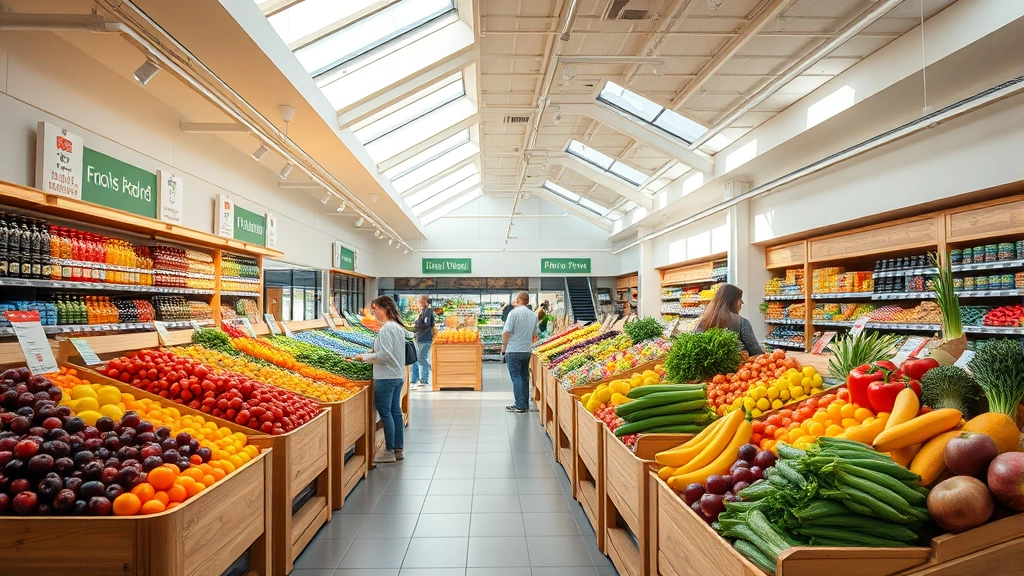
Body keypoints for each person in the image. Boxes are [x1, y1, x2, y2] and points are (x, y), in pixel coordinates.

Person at [354, 296, 407, 463]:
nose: (373, 312)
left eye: (375, 309)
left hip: (386, 376)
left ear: (384, 309)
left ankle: (389, 451)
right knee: (395, 412)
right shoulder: (398, 327)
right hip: (398, 375)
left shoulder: (386, 329)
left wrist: (365, 357)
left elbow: (384, 355)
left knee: (386, 413)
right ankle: (398, 449)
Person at [695, 283, 765, 357]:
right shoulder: (741, 322)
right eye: (740, 299)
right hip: (738, 367)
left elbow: (696, 347)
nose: (742, 302)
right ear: (733, 301)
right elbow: (755, 351)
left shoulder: (703, 321)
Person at [502, 291, 538, 413]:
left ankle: (519, 404)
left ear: (518, 299)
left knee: (516, 377)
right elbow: (535, 335)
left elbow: (506, 331)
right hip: (526, 351)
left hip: (513, 350)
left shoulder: (513, 313)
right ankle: (525, 404)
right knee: (524, 377)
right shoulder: (533, 315)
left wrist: (504, 346)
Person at [411, 295, 435, 391]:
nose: (418, 304)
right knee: (416, 359)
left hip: (425, 339)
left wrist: (416, 325)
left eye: (420, 302)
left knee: (421, 358)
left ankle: (424, 380)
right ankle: (414, 380)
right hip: (420, 338)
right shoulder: (422, 312)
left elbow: (427, 324)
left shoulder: (428, 311)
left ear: (424, 302)